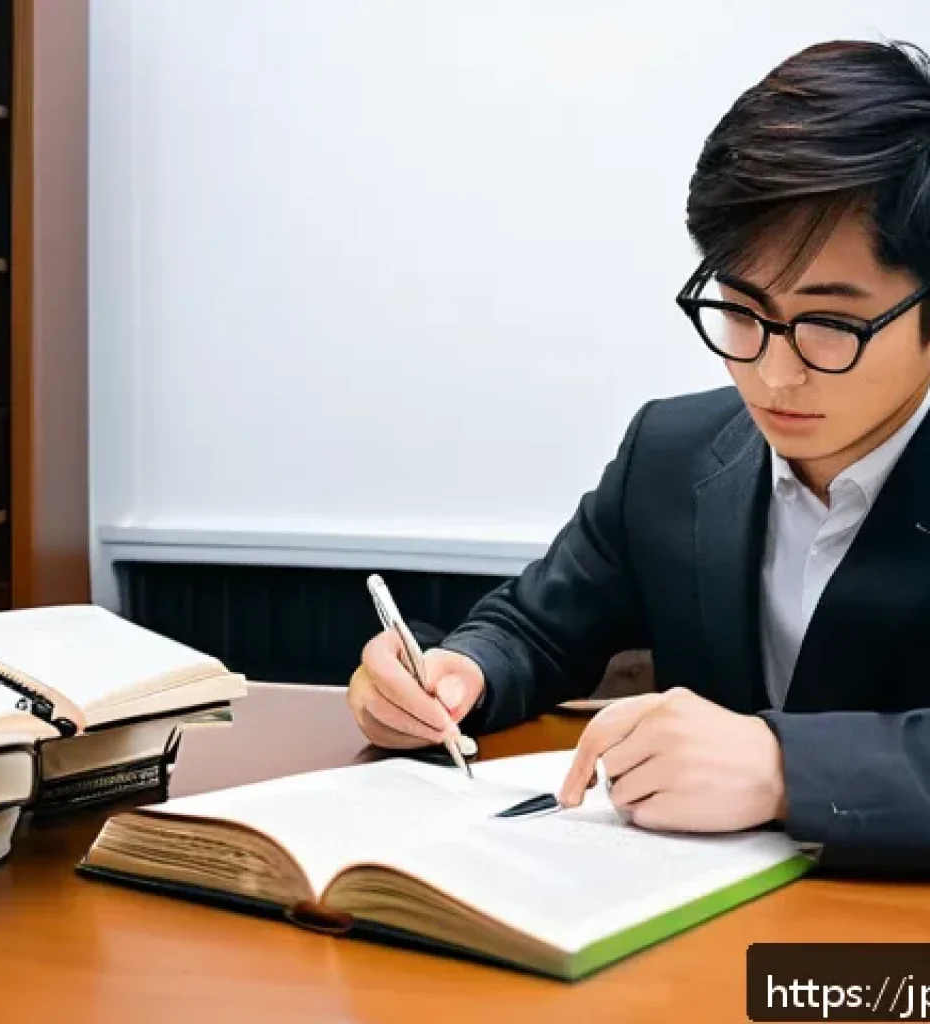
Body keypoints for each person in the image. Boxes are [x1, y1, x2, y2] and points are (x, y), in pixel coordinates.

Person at [347, 38, 930, 859]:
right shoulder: (674, 452)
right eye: (741, 309)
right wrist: (455, 674)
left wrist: (782, 769)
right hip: (676, 936)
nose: (773, 372)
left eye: (829, 324)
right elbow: (537, 629)